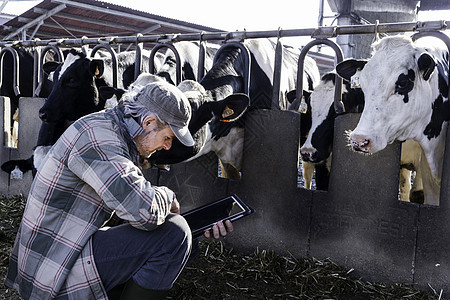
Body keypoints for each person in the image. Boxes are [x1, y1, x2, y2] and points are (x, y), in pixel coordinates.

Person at [4, 80, 233, 300]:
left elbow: (134, 213)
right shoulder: (101, 140)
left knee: (181, 237)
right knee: (174, 233)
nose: (167, 146)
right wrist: (168, 194)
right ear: (149, 122)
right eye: (167, 137)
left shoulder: (114, 130)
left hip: (64, 254)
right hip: (52, 272)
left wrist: (195, 235)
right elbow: (145, 213)